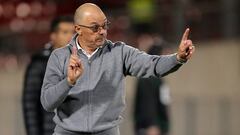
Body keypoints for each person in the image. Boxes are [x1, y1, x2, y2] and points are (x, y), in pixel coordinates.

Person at [40, 3, 195, 135]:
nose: (102, 31)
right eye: (95, 27)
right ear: (78, 29)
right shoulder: (59, 57)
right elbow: (47, 102)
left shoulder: (119, 52)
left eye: (104, 25)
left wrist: (178, 58)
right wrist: (68, 82)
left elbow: (153, 65)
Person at [22, 16, 74, 135]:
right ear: (53, 36)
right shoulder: (40, 64)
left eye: (73, 32)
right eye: (65, 32)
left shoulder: (82, 62)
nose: (70, 37)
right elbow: (31, 106)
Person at [134, 44, 171, 135]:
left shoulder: (158, 77)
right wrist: (151, 125)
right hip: (150, 128)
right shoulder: (148, 76)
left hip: (159, 126)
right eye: (165, 55)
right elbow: (147, 103)